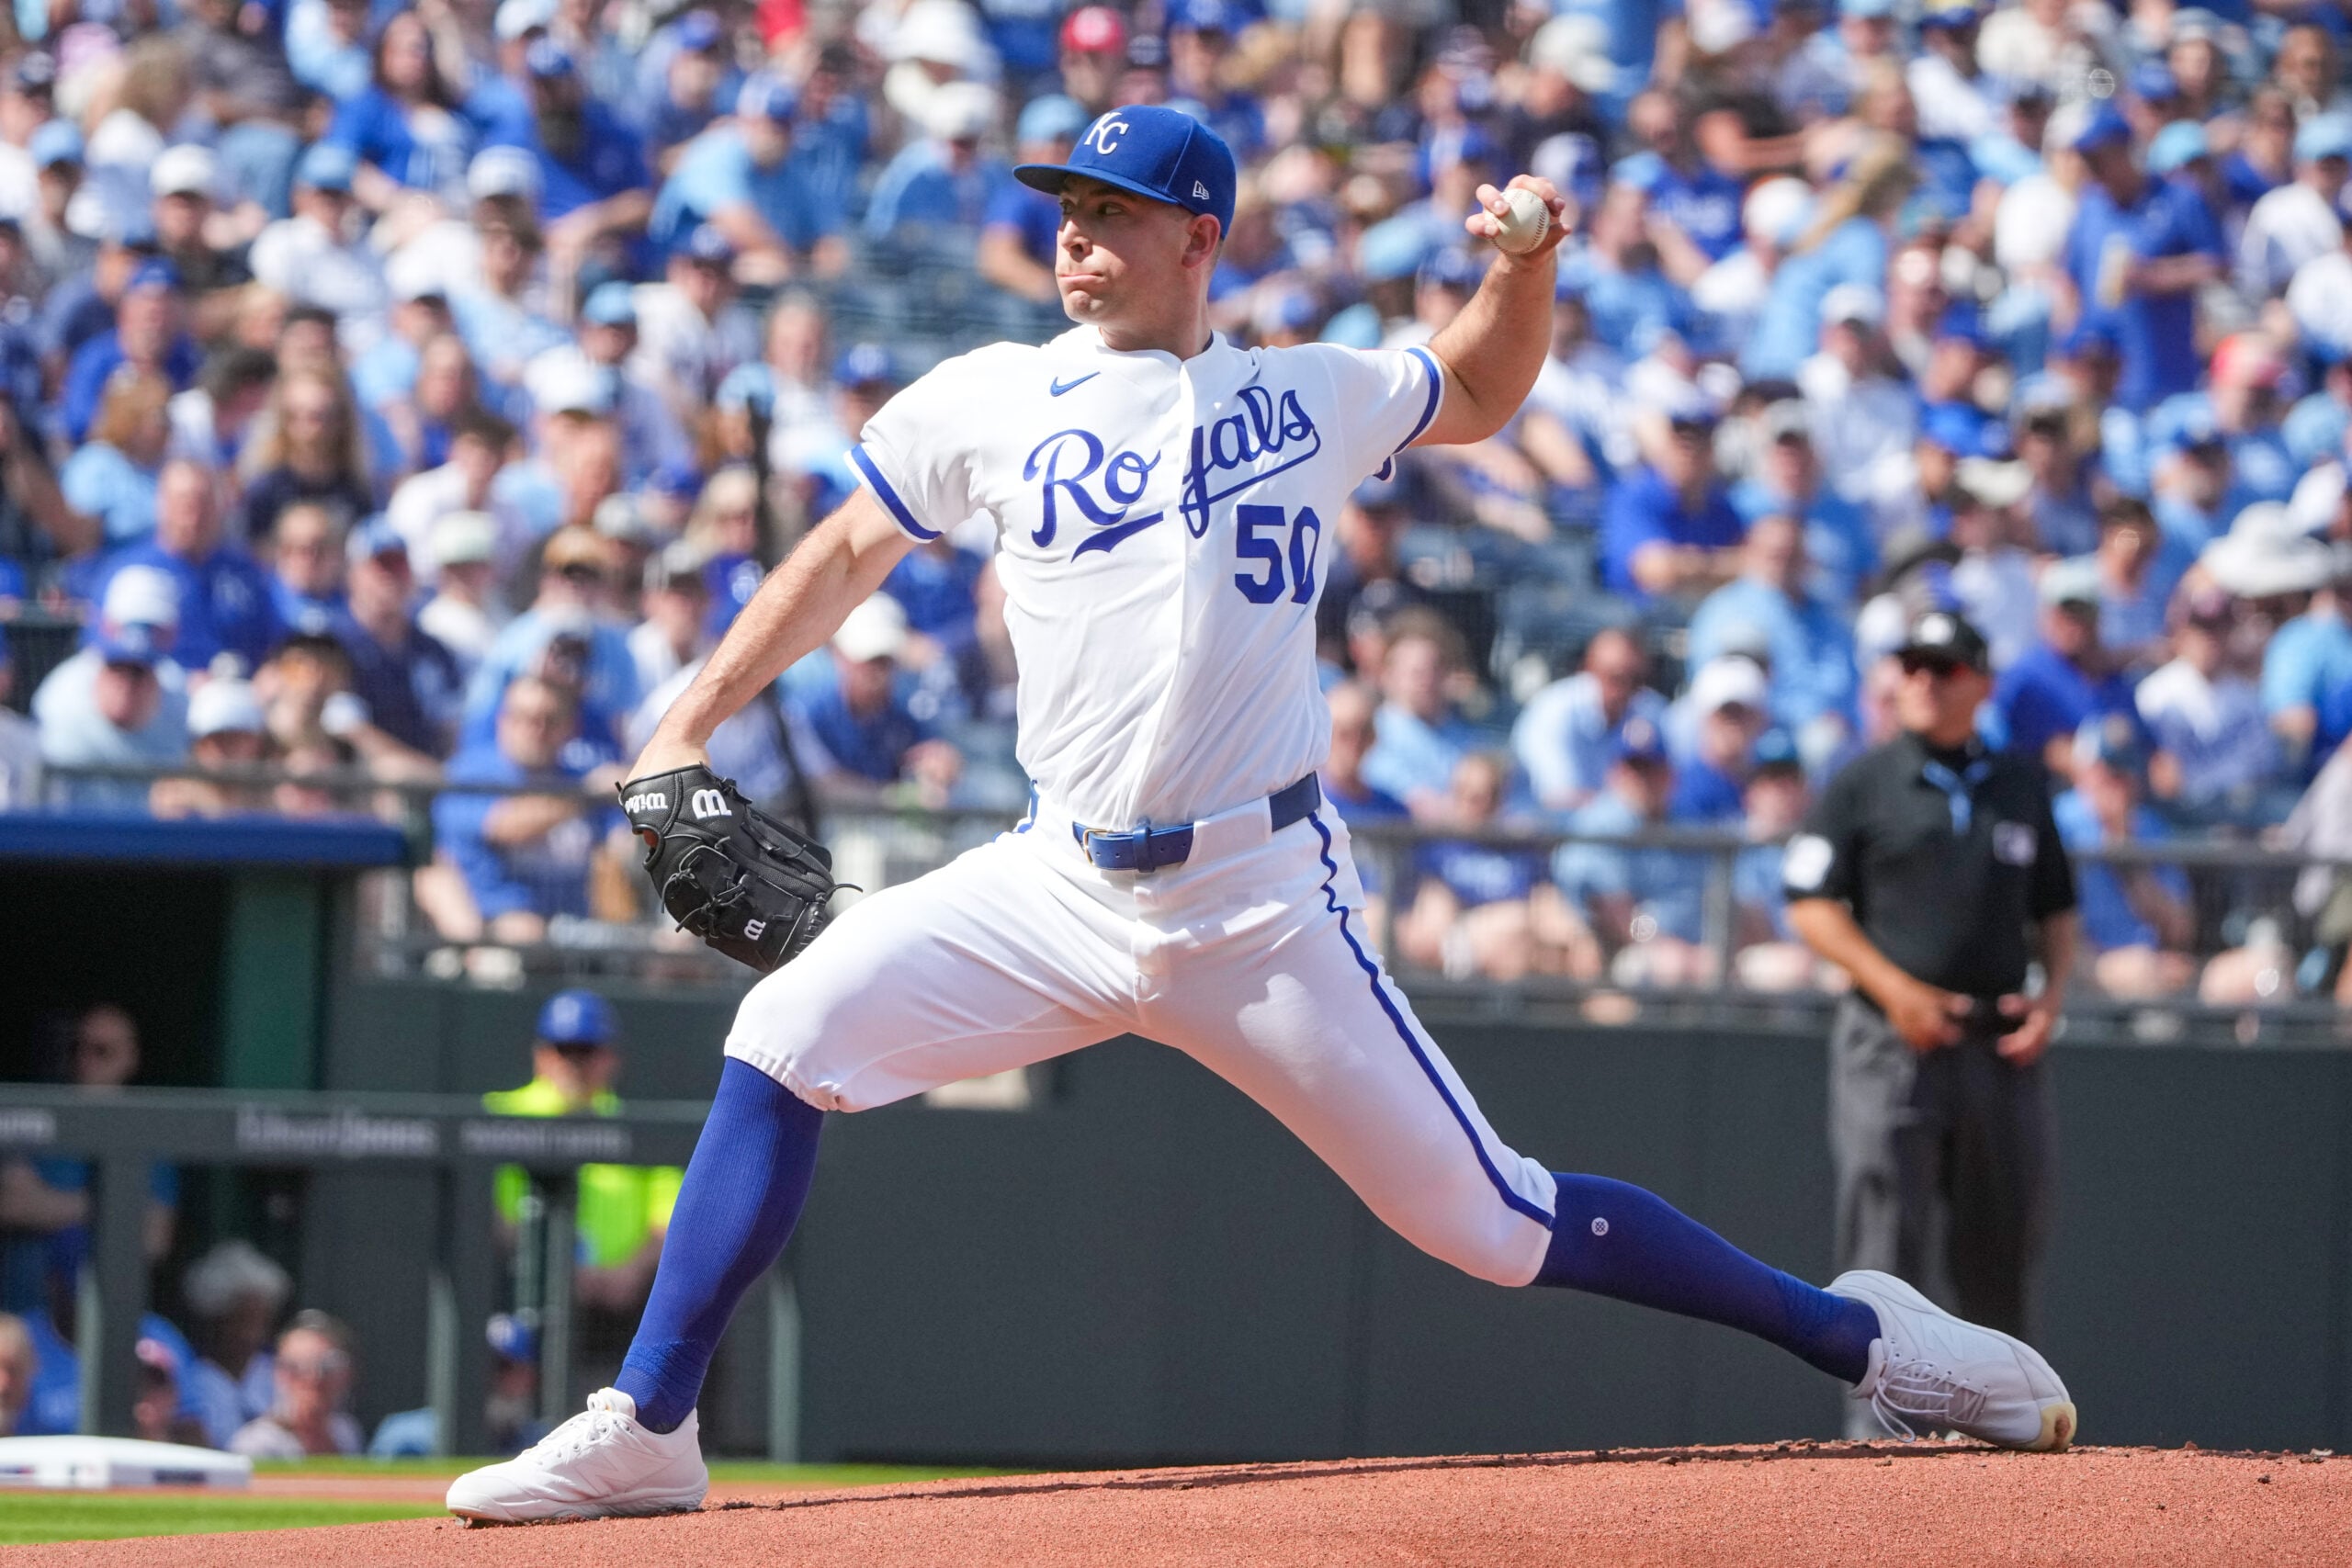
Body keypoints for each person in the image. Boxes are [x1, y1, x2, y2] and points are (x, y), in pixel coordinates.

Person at [447, 108, 2074, 1527]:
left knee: (1494, 1223)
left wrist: (1521, 266)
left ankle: (1866, 1339)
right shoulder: (991, 396)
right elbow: (841, 557)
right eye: (1066, 217)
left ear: (1198, 237)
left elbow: (1486, 391)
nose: (1077, 242)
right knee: (787, 1024)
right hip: (1054, 881)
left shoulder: (1308, 394)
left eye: (1113, 218)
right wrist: (683, 719)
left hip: (1258, 898)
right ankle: (648, 1428)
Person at [1784, 608, 2077, 1434]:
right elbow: (1808, 902)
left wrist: (2053, 997)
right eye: (1910, 665)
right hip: (1892, 1039)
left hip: (1998, 1040)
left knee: (2002, 1240)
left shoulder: (2019, 781)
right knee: (1885, 1240)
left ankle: (2011, 1418)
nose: (1920, 680)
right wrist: (1896, 988)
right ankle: (1877, 1433)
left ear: (1981, 683)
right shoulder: (1865, 779)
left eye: (1941, 667)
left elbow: (2057, 905)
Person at [484, 991, 683, 1321]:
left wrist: (629, 1270)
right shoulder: (502, 1113)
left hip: (619, 1307)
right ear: (541, 1055)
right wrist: (554, 1267)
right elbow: (481, 1205)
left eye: (587, 1050)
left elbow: (669, 1218)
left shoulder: (637, 1127)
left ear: (610, 1057)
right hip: (518, 1296)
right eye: (564, 1050)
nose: (575, 1063)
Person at [1510, 627, 1667, 814]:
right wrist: (1626, 804)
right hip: (1548, 832)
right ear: (1588, 670)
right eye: (1616, 678)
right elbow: (1557, 799)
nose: (1626, 688)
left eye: (1637, 680)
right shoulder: (1553, 714)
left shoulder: (1649, 708)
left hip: (1625, 829)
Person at [181, 1239, 292, 1450]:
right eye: (241, 1321)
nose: (252, 1334)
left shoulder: (282, 1373)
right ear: (215, 1320)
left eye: (261, 1321)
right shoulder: (191, 1379)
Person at [230, 1312, 364, 1458]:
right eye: (295, 1367)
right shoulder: (258, 1445)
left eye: (327, 1367)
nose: (313, 1378)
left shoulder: (346, 1434)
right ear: (278, 1374)